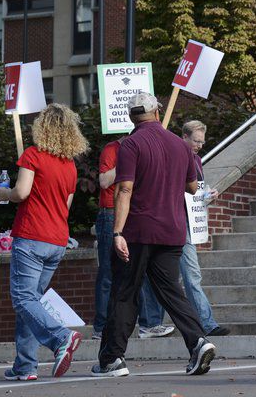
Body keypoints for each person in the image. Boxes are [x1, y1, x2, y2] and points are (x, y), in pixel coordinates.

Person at [94, 92, 216, 377]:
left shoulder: (131, 144)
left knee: (125, 293)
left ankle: (112, 359)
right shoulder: (180, 145)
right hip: (173, 230)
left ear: (130, 117)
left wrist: (117, 232)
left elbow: (124, 189)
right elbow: (193, 188)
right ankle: (198, 341)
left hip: (138, 231)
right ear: (157, 112)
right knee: (172, 292)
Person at [0, 104, 89, 381]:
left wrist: (4, 192)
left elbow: (21, 192)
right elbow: (66, 206)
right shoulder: (70, 165)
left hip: (32, 235)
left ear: (42, 128)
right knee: (31, 302)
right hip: (57, 239)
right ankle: (25, 366)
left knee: (23, 299)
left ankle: (62, 337)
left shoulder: (33, 155)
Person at [142, 120, 230, 337]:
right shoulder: (170, 156)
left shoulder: (197, 160)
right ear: (184, 137)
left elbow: (194, 191)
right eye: (195, 141)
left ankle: (207, 323)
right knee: (160, 275)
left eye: (202, 142)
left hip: (185, 223)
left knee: (191, 275)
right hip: (165, 222)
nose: (199, 145)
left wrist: (207, 196)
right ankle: (153, 323)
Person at [92, 138, 175, 341]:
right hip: (111, 212)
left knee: (143, 268)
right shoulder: (112, 149)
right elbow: (104, 182)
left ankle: (150, 323)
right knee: (108, 272)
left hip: (136, 212)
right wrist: (127, 159)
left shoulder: (147, 147)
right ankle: (101, 327)